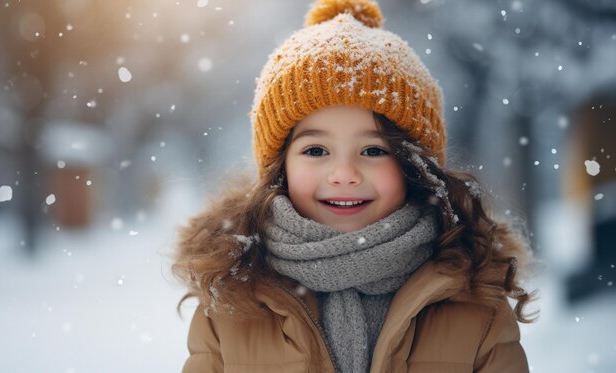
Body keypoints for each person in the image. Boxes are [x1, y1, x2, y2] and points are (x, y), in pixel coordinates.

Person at [172, 0, 539, 372]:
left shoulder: (473, 299)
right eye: (316, 149)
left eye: (373, 150)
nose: (344, 173)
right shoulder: (233, 300)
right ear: (280, 167)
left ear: (414, 166)